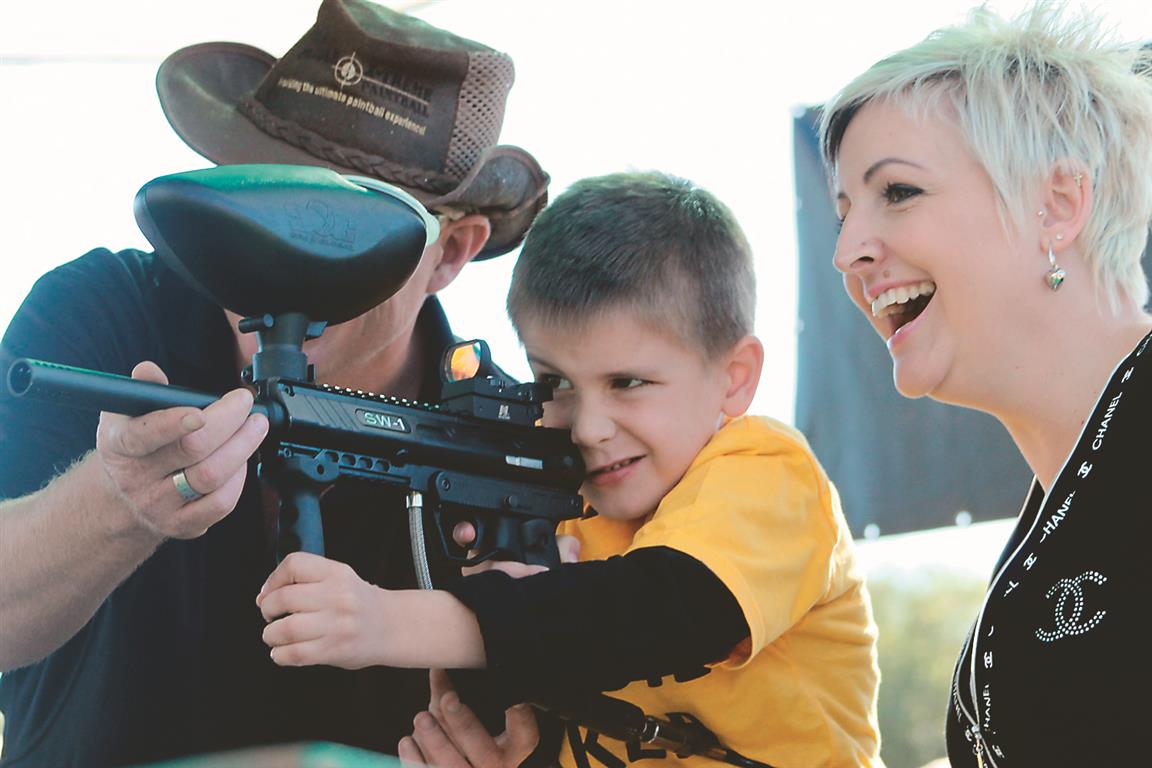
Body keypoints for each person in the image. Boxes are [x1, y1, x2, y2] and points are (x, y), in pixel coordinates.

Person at [0, 1, 549, 765]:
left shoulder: (506, 443)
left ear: (450, 253)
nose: (283, 253)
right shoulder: (105, 316)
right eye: (260, 198)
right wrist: (117, 503)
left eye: (341, 227)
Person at [258, 171, 884, 767]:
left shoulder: (767, 474)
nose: (588, 427)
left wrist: (386, 621)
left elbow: (660, 612)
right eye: (554, 383)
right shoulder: (571, 518)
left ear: (735, 378)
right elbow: (562, 669)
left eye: (627, 382)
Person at [819, 2, 1152, 764]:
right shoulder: (1059, 503)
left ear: (1057, 205)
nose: (847, 253)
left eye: (897, 191)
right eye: (842, 214)